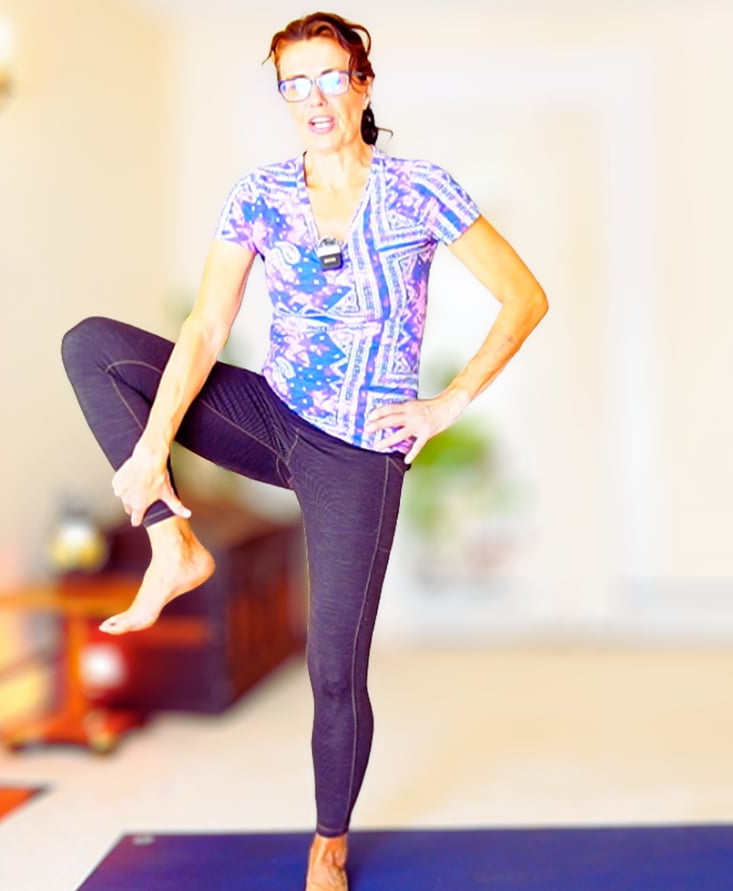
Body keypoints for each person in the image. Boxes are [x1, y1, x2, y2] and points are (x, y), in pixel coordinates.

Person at [61, 11, 547, 890]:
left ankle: (328, 841)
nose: (314, 98)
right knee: (91, 344)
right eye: (294, 83)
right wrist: (153, 451)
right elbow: (206, 327)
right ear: (281, 94)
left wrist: (448, 403)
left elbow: (524, 297)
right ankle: (177, 543)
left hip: (359, 449)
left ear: (362, 84)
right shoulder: (259, 193)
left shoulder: (419, 187)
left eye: (330, 77)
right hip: (270, 411)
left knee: (333, 670)